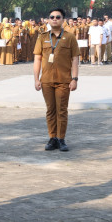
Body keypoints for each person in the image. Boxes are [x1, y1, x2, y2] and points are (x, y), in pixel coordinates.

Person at [33, 8, 80, 152]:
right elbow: (37, 58)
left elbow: (75, 59)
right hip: (46, 79)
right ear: (48, 19)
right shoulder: (42, 37)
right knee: (50, 110)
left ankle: (61, 138)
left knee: (62, 110)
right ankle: (52, 137)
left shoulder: (70, 37)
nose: (54, 19)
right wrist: (36, 79)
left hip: (64, 80)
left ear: (63, 20)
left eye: (58, 17)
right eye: (52, 16)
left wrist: (74, 79)